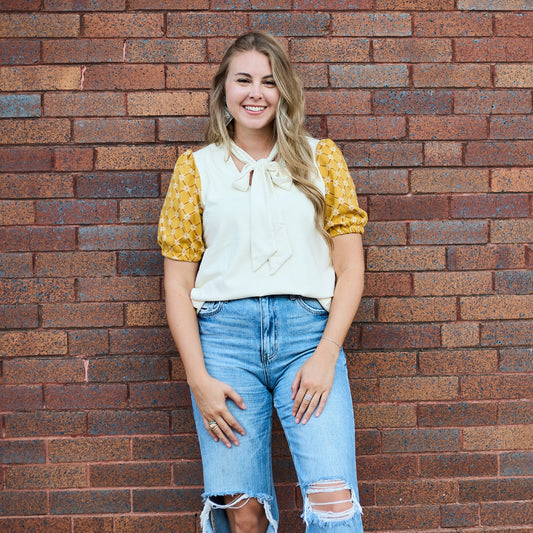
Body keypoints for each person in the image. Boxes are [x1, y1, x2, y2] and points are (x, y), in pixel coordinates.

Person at [158, 31, 367, 533]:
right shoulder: (196, 169)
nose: (256, 93)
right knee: (243, 516)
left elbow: (351, 268)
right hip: (224, 343)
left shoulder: (322, 159)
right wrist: (198, 380)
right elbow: (177, 286)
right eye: (244, 79)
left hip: (307, 339)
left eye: (269, 82)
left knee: (333, 501)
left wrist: (325, 354)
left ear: (284, 91)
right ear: (224, 90)